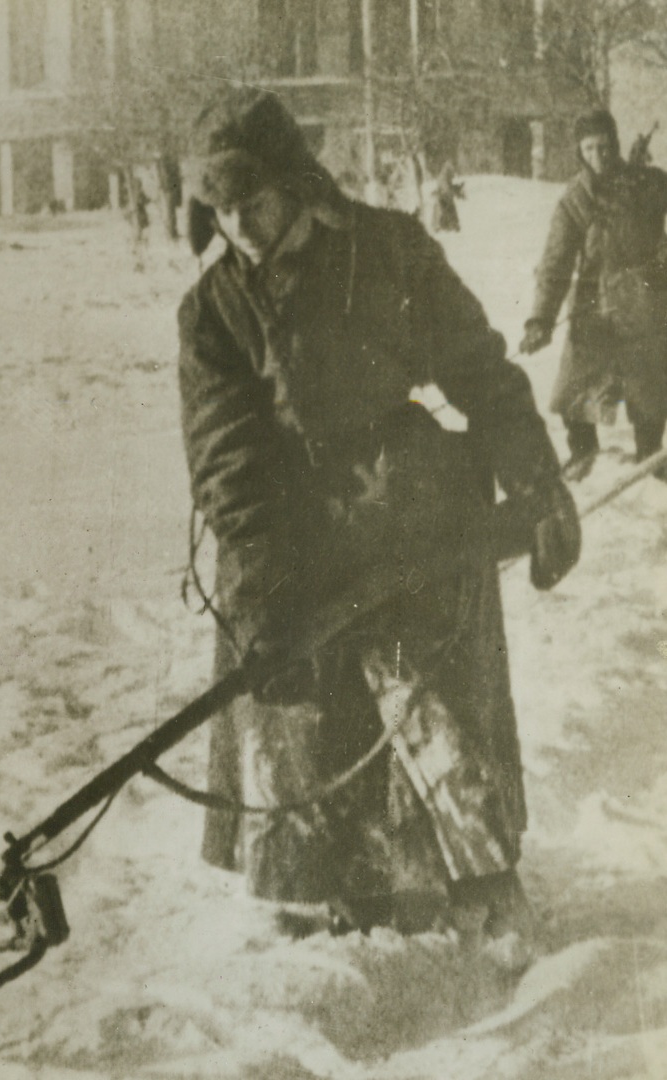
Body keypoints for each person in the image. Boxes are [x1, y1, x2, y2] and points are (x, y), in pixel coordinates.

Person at [178, 87, 580, 938]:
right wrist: (262, 600)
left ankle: (479, 886)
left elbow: (481, 371)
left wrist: (538, 483)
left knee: (427, 697)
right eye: (222, 209)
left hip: (408, 522)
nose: (240, 226)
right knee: (307, 721)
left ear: (295, 183)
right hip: (286, 541)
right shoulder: (213, 310)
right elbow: (227, 461)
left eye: (254, 202)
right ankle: (330, 902)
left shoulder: (388, 252)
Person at [520, 109, 667, 480]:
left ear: (614, 145)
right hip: (592, 306)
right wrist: (540, 319)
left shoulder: (647, 185)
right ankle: (583, 452)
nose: (598, 156)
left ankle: (650, 457)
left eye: (604, 146)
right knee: (576, 384)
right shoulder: (575, 199)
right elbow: (555, 264)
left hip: (643, 303)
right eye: (589, 148)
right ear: (579, 151)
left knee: (648, 388)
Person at [431, 161, 464, 232]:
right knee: (445, 208)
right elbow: (446, 190)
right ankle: (446, 225)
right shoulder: (443, 177)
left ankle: (450, 225)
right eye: (452, 173)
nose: (453, 176)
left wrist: (456, 188)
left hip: (444, 197)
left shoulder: (445, 176)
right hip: (443, 198)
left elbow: (448, 188)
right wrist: (455, 191)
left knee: (447, 207)